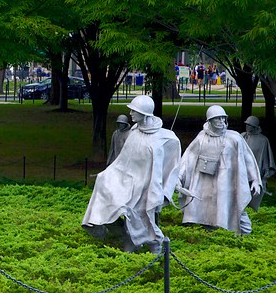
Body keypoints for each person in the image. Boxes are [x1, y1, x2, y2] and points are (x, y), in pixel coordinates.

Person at [82, 95, 180, 254]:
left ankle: (153, 243)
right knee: (105, 189)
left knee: (136, 209)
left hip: (146, 185)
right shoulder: (134, 132)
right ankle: (122, 233)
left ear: (144, 112)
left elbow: (172, 166)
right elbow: (123, 161)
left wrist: (166, 189)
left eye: (134, 110)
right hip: (127, 179)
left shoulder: (165, 137)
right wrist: (107, 175)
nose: (131, 113)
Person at [179, 106, 261, 235]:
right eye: (217, 118)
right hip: (204, 180)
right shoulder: (201, 138)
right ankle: (212, 235)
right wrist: (179, 177)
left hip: (227, 180)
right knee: (206, 209)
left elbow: (248, 159)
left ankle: (244, 236)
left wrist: (255, 179)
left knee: (233, 205)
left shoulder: (234, 138)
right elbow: (188, 158)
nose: (221, 120)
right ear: (209, 120)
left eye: (223, 117)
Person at [242, 115, 275, 212]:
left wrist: (265, 175)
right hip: (242, 171)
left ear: (255, 127)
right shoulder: (242, 136)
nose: (247, 127)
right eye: (246, 125)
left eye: (249, 125)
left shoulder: (263, 140)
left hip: (256, 171)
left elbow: (265, 158)